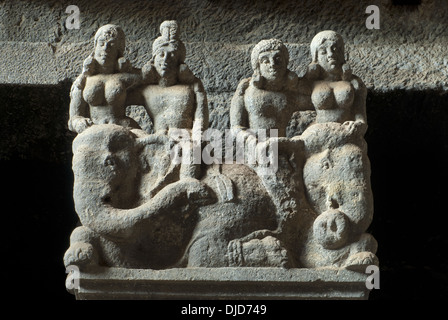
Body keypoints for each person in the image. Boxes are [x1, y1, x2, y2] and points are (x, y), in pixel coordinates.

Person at [127, 20, 208, 182]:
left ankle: (188, 187)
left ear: (179, 63)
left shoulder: (190, 88)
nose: (166, 60)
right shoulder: (147, 90)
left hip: (185, 139)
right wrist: (138, 77)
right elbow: (116, 100)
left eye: (172, 56)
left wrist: (197, 137)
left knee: (190, 152)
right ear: (153, 59)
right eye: (161, 55)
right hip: (156, 140)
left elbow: (201, 118)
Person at [68, 24, 142, 134]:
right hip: (94, 129)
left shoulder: (127, 77)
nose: (105, 49)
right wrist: (79, 122)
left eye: (111, 45)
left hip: (123, 128)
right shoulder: (83, 80)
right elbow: (73, 119)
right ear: (95, 46)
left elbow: (154, 81)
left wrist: (129, 69)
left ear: (118, 51)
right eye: (101, 44)